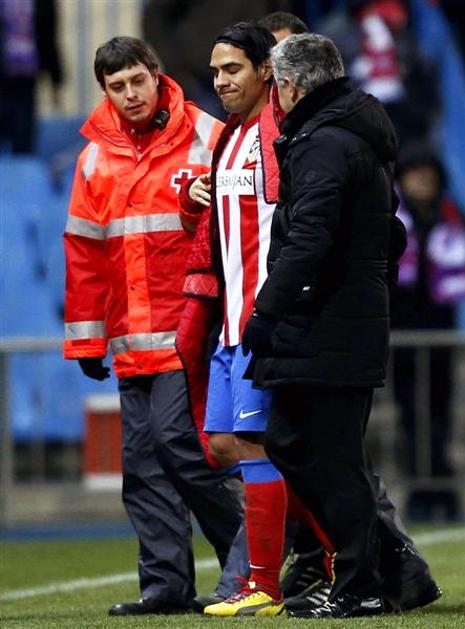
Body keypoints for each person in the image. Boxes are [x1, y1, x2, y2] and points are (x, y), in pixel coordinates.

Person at [242, 33, 441, 618]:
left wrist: (267, 309)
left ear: (289, 86)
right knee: (296, 443)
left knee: (332, 457)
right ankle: (391, 567)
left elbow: (310, 237)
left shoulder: (324, 143)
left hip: (327, 319)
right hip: (340, 316)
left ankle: (362, 583)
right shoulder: (351, 135)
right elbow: (389, 232)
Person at [63, 35, 245, 616]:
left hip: (192, 332)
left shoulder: (208, 136)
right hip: (132, 340)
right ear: (104, 91)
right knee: (143, 467)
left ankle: (251, 564)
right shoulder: (94, 158)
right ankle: (166, 585)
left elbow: (240, 227)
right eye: (117, 86)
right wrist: (87, 341)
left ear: (156, 74)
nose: (130, 94)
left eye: (137, 80)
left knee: (181, 449)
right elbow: (85, 255)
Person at [177, 21, 336, 618]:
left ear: (266, 71)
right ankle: (335, 552)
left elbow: (301, 221)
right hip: (230, 322)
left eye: (232, 69)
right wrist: (193, 196)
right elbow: (221, 226)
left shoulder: (277, 133)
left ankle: (267, 582)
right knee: (223, 444)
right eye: (215, 72)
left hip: (263, 320)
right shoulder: (233, 136)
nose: (220, 81)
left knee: (255, 444)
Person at [392, 144, 465, 521]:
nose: (423, 181)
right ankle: (423, 492)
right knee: (411, 416)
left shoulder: (451, 217)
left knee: (440, 414)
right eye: (416, 174)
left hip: (439, 336)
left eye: (429, 174)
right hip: (402, 337)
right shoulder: (392, 219)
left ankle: (441, 491)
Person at [0, 0, 63, 153]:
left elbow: (49, 38)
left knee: (23, 138)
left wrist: (55, 80)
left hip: (27, 79)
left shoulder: (43, 4)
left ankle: (22, 162)